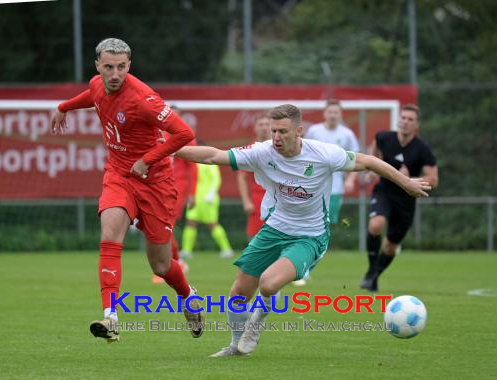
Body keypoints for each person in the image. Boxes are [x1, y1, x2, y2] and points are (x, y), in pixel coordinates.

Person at [175, 104, 431, 356]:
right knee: (237, 294)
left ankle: (257, 323)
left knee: (268, 283)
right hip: (274, 229)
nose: (276, 137)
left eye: (283, 132)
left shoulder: (323, 154)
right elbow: (212, 156)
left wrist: (406, 183)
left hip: (309, 236)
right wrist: (169, 150)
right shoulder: (262, 152)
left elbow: (369, 161)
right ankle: (235, 346)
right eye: (274, 131)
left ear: (299, 131)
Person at [50, 38, 204, 343]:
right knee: (109, 236)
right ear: (98, 66)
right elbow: (91, 96)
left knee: (161, 265)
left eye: (121, 67)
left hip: (155, 183)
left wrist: (147, 160)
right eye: (108, 67)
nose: (115, 74)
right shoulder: (97, 85)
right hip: (119, 175)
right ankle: (111, 317)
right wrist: (63, 107)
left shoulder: (144, 99)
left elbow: (185, 133)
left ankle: (187, 295)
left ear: (129, 65)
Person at [359, 104, 439, 292]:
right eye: (403, 118)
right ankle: (371, 271)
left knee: (390, 247)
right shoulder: (384, 138)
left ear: (416, 124)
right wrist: (372, 170)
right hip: (384, 190)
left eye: (410, 119)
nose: (405, 122)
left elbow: (433, 180)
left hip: (406, 200)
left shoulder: (422, 149)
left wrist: (409, 179)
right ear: (398, 119)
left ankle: (375, 275)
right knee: (376, 225)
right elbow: (375, 154)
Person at [151, 106, 195, 284]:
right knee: (158, 225)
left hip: (178, 188)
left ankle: (173, 263)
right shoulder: (159, 135)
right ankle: (176, 262)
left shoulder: (185, 137)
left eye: (175, 116)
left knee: (165, 225)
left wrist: (192, 193)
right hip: (159, 187)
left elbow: (193, 167)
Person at [305, 99, 360, 224]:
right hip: (313, 184)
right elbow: (305, 155)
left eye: (336, 112)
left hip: (336, 187)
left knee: (327, 222)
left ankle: (323, 244)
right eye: (330, 112)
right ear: (324, 113)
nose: (332, 115)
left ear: (341, 114)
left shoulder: (347, 134)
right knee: (312, 220)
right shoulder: (314, 131)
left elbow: (357, 158)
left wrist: (351, 180)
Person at [180, 160, 234, 259]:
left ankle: (227, 249)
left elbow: (216, 179)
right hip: (195, 198)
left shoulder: (209, 162)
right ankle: (186, 251)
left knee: (212, 224)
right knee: (190, 222)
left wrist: (211, 194)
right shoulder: (193, 164)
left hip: (207, 199)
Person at [236, 114, 271, 240]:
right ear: (255, 128)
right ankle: (256, 258)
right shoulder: (250, 150)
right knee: (255, 233)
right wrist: (246, 201)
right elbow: (242, 177)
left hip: (280, 197)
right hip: (258, 198)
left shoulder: (280, 147)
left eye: (267, 125)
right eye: (261, 125)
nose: (264, 128)